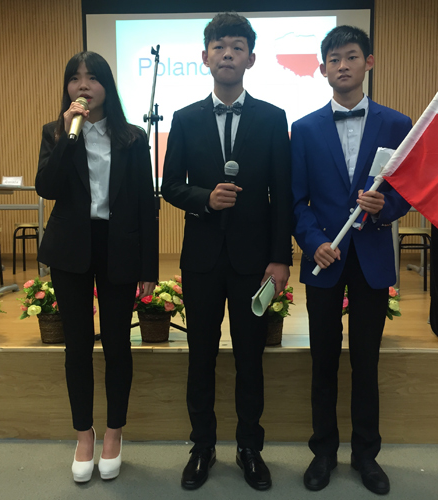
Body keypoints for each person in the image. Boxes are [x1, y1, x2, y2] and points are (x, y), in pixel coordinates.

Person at [161, 12, 292, 492]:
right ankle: (203, 446)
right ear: (205, 57)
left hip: (254, 261)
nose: (228, 54)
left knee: (250, 358)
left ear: (251, 59)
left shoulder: (273, 118)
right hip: (201, 259)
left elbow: (282, 193)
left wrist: (281, 258)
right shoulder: (184, 118)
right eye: (219, 47)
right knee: (201, 356)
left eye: (237, 47)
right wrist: (205, 199)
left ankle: (249, 447)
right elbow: (170, 185)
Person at [291, 26, 412, 495]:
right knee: (322, 361)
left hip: (371, 259)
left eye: (352, 56)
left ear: (369, 62)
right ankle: (323, 451)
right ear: (322, 68)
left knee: (366, 361)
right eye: (334, 59)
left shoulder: (397, 124)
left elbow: (406, 191)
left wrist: (386, 208)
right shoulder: (303, 129)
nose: (342, 65)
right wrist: (313, 241)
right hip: (324, 259)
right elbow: (296, 201)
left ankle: (366, 455)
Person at [35, 51, 157, 483]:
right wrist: (69, 136)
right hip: (71, 248)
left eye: (92, 77)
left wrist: (148, 267)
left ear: (107, 85)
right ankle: (83, 434)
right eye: (75, 78)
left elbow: (145, 204)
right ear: (67, 87)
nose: (83, 85)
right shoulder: (56, 132)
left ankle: (113, 432)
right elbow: (47, 187)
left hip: (118, 247)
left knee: (118, 345)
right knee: (78, 346)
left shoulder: (132, 137)